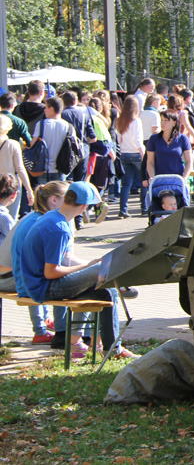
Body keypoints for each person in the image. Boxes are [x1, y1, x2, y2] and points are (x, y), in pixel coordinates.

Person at [15, 181, 135, 360]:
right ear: (85, 206)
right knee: (102, 271)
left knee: (107, 292)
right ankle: (123, 286)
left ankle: (111, 349)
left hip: (40, 284)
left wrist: (88, 268)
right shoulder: (59, 229)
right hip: (44, 288)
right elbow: (51, 273)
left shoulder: (52, 217)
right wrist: (87, 266)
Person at [0, 176, 54, 344]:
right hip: (5, 276)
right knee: (34, 277)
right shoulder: (6, 218)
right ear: (14, 195)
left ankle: (44, 321)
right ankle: (40, 330)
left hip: (5, 271)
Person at [144, 111, 193, 207]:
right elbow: (150, 161)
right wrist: (152, 177)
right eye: (161, 120)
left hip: (177, 179)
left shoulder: (182, 139)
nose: (162, 123)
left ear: (174, 122)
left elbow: (189, 161)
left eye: (166, 120)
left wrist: (184, 178)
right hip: (159, 180)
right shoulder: (154, 139)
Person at [113, 96, 145, 219]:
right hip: (136, 154)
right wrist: (144, 155)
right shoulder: (136, 121)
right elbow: (138, 140)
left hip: (124, 154)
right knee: (143, 182)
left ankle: (123, 210)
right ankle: (144, 208)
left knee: (126, 184)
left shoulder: (120, 120)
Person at [29, 97, 73, 183]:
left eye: (46, 107)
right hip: (61, 168)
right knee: (60, 194)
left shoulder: (41, 124)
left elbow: (32, 145)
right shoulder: (68, 126)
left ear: (51, 109)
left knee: (44, 195)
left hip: (44, 168)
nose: (44, 110)